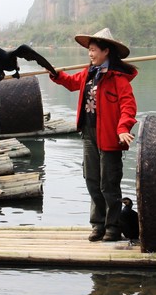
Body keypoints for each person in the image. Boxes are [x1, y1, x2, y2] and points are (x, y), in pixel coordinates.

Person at [49, 28, 138, 242]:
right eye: (89, 50)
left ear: (106, 51)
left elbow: (128, 106)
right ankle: (97, 225)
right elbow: (71, 83)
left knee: (109, 183)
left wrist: (123, 127)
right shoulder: (88, 73)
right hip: (89, 133)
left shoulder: (117, 78)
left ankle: (113, 228)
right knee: (92, 180)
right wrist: (56, 75)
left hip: (109, 135)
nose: (90, 54)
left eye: (93, 50)